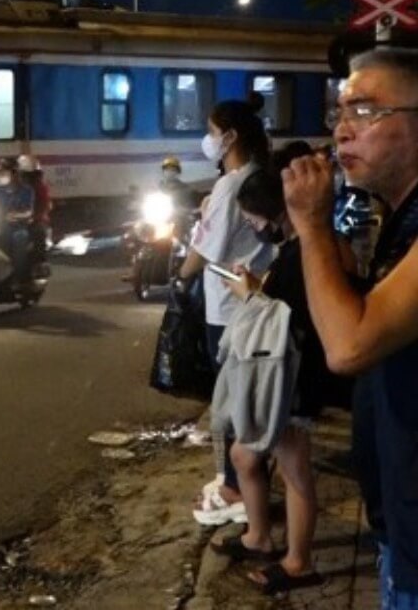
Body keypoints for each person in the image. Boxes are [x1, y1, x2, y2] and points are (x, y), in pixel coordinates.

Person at [281, 47, 418, 605]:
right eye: (338, 113)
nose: (341, 131)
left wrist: (312, 224)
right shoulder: (397, 217)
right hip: (401, 530)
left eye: (364, 110)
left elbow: (349, 344)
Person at [211, 142, 339, 594]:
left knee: (293, 469)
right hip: (288, 376)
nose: (252, 226)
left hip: (291, 379)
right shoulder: (301, 246)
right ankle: (260, 536)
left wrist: (250, 293)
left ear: (274, 211)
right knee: (245, 455)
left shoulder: (306, 249)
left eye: (252, 219)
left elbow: (288, 315)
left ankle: (298, 561)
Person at [177, 100, 277, 526]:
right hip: (257, 302)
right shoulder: (256, 176)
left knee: (233, 402)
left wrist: (181, 277)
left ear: (230, 137)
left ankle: (236, 489)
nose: (208, 140)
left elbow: (206, 251)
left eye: (211, 130)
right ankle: (237, 480)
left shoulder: (230, 185)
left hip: (228, 307)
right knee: (246, 399)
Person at [0, 158, 36, 279]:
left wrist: (16, 216)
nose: (2, 175)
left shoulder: (26, 191)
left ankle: (19, 276)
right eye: (0, 172)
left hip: (17, 227)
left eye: (5, 172)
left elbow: (29, 211)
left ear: (15, 173)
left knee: (20, 237)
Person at [21, 155, 53, 276]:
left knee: (39, 232)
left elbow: (44, 206)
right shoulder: (10, 188)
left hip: (34, 221)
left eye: (33, 175)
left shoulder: (40, 188)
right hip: (13, 221)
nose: (30, 178)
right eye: (27, 175)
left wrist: (32, 218)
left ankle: (40, 263)